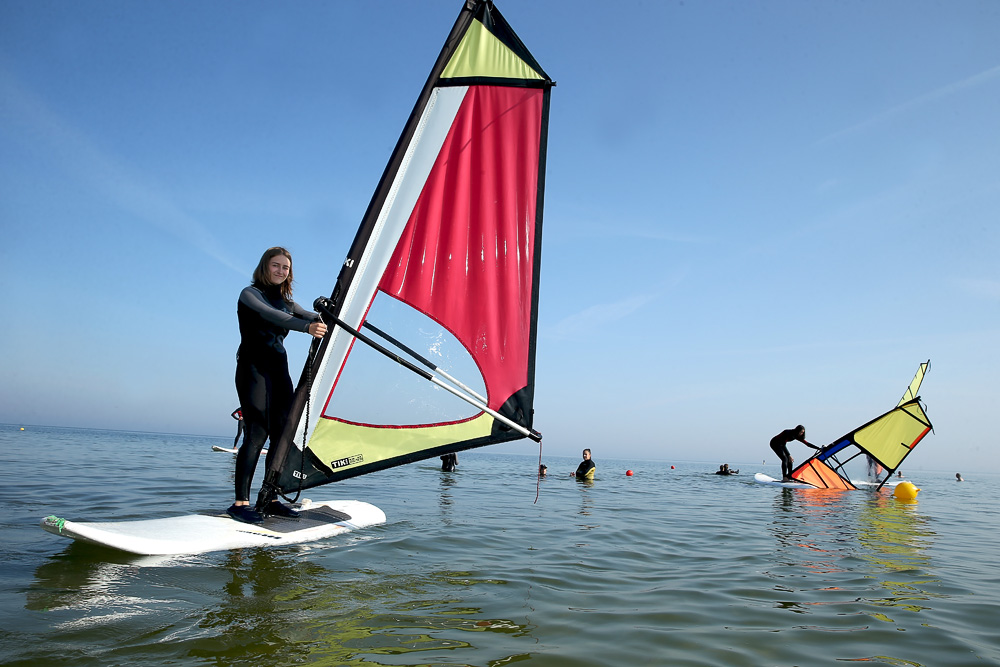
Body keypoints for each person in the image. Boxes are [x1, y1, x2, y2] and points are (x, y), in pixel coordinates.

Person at [228, 247, 327, 524]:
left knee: (281, 431)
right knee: (257, 432)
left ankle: (269, 498)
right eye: (276, 265)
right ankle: (240, 503)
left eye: (285, 267)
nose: (280, 271)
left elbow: (309, 316)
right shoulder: (250, 294)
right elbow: (273, 316)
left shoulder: (288, 302)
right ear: (265, 266)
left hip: (279, 369)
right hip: (253, 369)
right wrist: (306, 328)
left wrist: (327, 313)